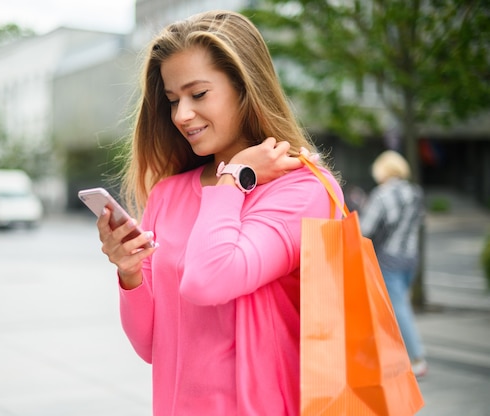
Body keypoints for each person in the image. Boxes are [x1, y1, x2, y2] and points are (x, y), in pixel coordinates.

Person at [92, 10, 344, 415]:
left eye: (198, 94)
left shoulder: (303, 190)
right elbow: (151, 346)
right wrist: (130, 272)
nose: (181, 115)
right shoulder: (169, 195)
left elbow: (209, 280)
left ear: (245, 87)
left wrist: (233, 179)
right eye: (173, 100)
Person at [359, 150, 428, 378]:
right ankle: (391, 356)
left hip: (388, 259)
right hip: (410, 257)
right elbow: (420, 223)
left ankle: (417, 358)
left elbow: (365, 230)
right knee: (393, 307)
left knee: (398, 309)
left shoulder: (381, 195)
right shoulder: (415, 192)